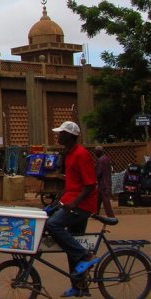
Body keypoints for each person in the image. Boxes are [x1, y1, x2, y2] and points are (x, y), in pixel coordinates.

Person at [45, 121, 100, 297]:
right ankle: (79, 287)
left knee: (53, 225)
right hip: (73, 202)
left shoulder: (81, 155)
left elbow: (90, 185)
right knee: (72, 245)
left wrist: (74, 204)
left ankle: (84, 255)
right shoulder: (69, 155)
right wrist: (56, 204)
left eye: (61, 133)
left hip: (82, 206)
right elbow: (71, 185)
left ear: (70, 136)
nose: (58, 136)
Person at [95, 145, 115, 218]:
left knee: (106, 201)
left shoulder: (100, 160)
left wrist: (94, 177)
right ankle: (95, 213)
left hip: (103, 183)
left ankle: (111, 216)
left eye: (96, 152)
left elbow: (98, 172)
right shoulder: (106, 158)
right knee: (98, 199)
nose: (95, 154)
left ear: (99, 152)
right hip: (106, 182)